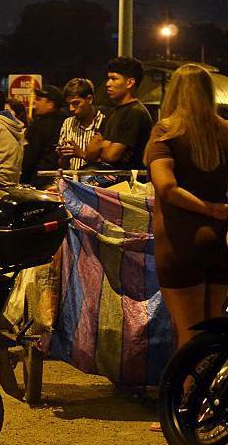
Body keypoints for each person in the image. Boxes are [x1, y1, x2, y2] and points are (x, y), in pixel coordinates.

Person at [144, 64, 228, 354]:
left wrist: (208, 209)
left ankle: (188, 386)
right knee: (215, 333)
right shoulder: (225, 131)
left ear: (174, 92)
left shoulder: (166, 130)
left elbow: (167, 187)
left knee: (189, 335)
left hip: (181, 243)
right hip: (220, 242)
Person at [86, 56, 153, 169]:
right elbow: (90, 153)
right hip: (109, 177)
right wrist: (105, 146)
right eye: (108, 78)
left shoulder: (135, 112)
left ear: (130, 83)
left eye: (114, 79)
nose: (108, 83)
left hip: (127, 179)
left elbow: (111, 156)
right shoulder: (112, 112)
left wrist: (101, 146)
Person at [20, 84, 68, 187]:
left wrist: (22, 176)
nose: (35, 102)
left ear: (50, 104)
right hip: (60, 179)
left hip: (38, 179)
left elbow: (30, 156)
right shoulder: (67, 122)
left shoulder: (40, 126)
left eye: (39, 99)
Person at [57, 78, 105, 171]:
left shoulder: (104, 121)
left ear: (89, 99)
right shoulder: (68, 122)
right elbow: (63, 164)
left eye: (76, 103)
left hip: (96, 178)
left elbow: (108, 162)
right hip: (72, 177)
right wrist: (65, 157)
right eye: (69, 104)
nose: (71, 109)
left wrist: (81, 154)